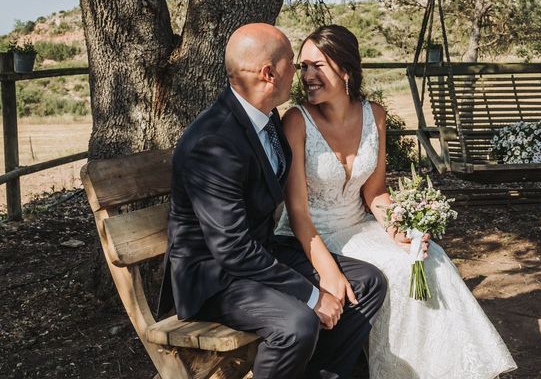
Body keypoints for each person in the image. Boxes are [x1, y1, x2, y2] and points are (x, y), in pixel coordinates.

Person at [274, 24, 517, 379]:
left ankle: (448, 369)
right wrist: (327, 270)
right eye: (303, 67)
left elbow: (375, 192)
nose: (307, 76)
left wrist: (399, 226)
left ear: (346, 70)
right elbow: (296, 212)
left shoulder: (375, 115)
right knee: (398, 268)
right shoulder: (296, 120)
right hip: (313, 233)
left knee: (426, 255)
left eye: (318, 66)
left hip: (359, 223)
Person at [158, 23, 387, 379]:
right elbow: (231, 249)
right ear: (269, 73)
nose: (300, 73)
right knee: (295, 325)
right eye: (295, 64)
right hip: (215, 278)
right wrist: (314, 295)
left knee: (367, 282)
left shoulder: (267, 119)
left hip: (261, 254)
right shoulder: (214, 142)